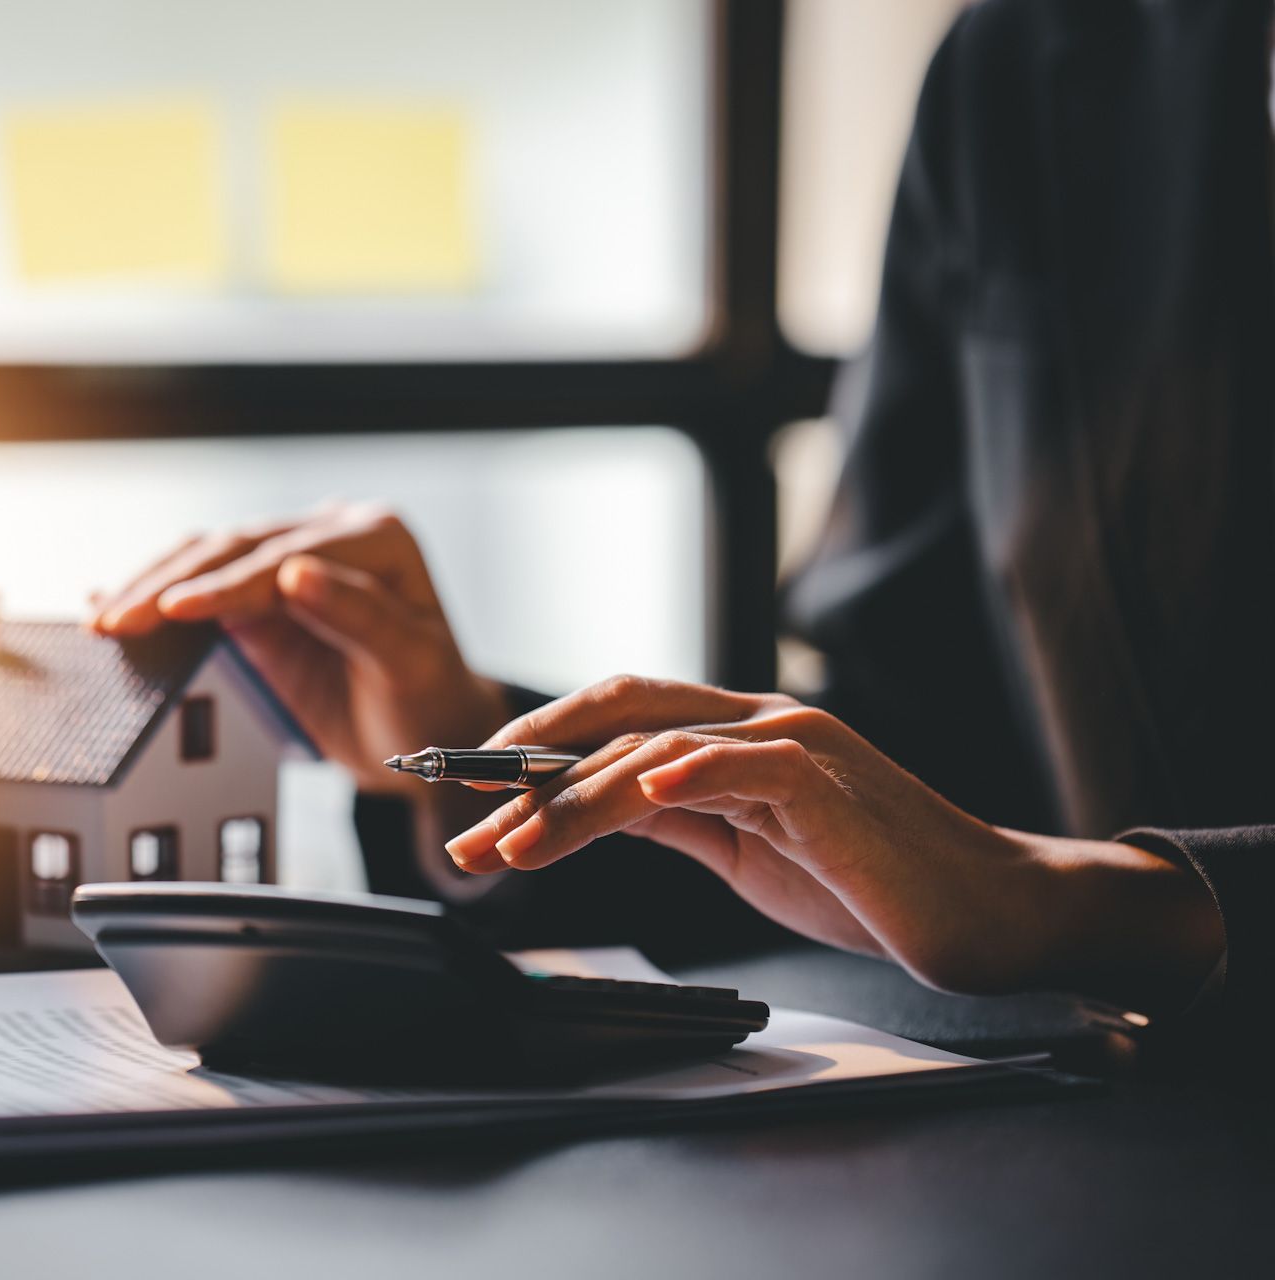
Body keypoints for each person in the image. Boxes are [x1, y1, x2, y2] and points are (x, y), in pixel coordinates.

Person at [92, 0, 1273, 1026]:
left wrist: (1109, 908)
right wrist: (479, 760)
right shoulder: (1033, 61)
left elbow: (1007, 885)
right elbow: (923, 776)